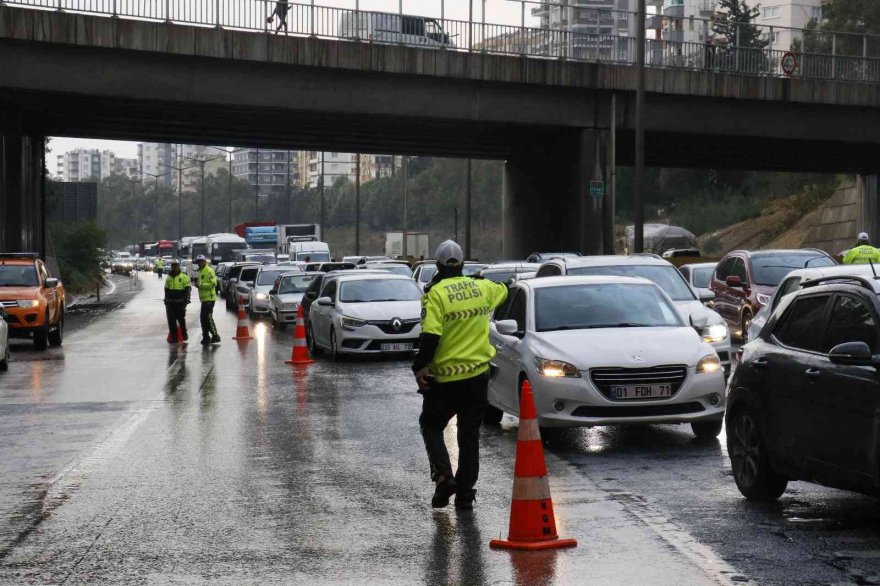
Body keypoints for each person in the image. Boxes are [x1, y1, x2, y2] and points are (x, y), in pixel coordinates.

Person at [412, 240, 508, 510]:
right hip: (477, 378)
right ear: (463, 264)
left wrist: (419, 366)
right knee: (469, 436)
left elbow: (430, 336)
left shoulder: (435, 294)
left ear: (438, 265)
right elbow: (505, 290)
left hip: (445, 380)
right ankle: (465, 494)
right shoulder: (482, 288)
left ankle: (444, 477)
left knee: (431, 426)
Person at [194, 255, 221, 345]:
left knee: (208, 318)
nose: (200, 263)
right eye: (198, 261)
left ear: (205, 261)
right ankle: (206, 337)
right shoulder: (200, 271)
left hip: (209, 298)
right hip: (204, 299)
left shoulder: (209, 270)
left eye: (201, 261)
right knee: (203, 319)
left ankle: (215, 336)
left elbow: (213, 283)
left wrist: (201, 285)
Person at [164, 259, 191, 343]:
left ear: (179, 266)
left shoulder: (184, 277)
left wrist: (186, 301)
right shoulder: (169, 277)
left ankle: (184, 334)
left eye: (176, 265)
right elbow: (166, 290)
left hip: (180, 302)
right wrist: (166, 300)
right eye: (173, 266)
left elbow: (187, 290)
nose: (174, 267)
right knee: (171, 321)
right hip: (171, 303)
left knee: (181, 319)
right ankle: (174, 337)